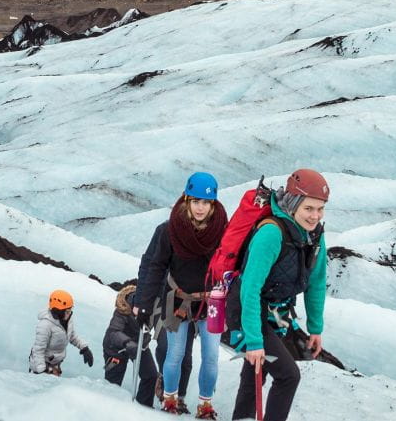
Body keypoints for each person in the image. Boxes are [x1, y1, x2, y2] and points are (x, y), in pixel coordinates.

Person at [230, 169, 329, 421]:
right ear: (294, 204)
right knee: (288, 376)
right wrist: (253, 340)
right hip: (247, 309)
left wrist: (315, 327)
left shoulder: (316, 236)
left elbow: (316, 282)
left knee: (256, 371)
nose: (315, 216)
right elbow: (249, 289)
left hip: (278, 311)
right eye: (309, 208)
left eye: (320, 209)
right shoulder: (271, 233)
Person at [135, 172, 228, 419]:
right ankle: (170, 401)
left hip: (212, 302)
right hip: (177, 300)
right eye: (196, 201)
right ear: (187, 199)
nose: (201, 207)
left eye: (206, 202)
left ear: (213, 204)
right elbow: (155, 266)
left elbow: (233, 265)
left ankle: (205, 406)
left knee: (211, 357)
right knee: (174, 354)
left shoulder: (222, 232)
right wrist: (142, 304)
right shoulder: (170, 230)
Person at [139, 217, 196, 411]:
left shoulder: (205, 233)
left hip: (190, 303)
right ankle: (165, 384)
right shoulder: (165, 230)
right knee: (165, 346)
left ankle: (179, 397)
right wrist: (141, 301)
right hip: (164, 299)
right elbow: (148, 264)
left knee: (185, 355)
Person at [102, 284, 157, 406]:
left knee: (151, 375)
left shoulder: (152, 306)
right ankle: (108, 409)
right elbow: (113, 332)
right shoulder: (123, 309)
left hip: (140, 344)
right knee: (113, 383)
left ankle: (144, 408)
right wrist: (127, 343)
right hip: (116, 348)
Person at [29, 289, 93, 376]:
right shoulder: (45, 325)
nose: (70, 313)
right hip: (42, 364)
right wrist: (41, 371)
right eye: (67, 311)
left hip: (55, 363)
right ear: (58, 312)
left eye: (70, 310)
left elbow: (72, 336)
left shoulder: (67, 320)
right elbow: (38, 350)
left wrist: (84, 348)